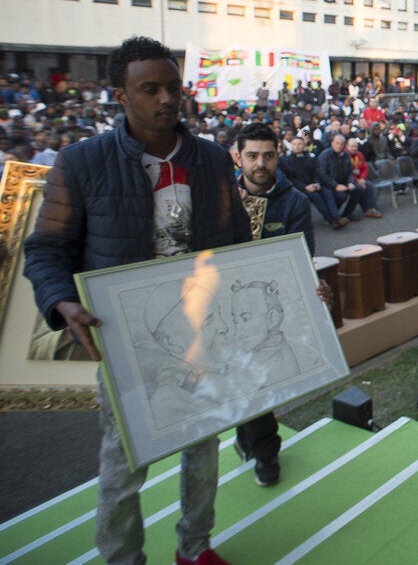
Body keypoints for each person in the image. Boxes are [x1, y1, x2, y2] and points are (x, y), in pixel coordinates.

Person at [24, 35, 251, 565]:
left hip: (202, 333)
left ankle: (195, 546)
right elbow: (46, 250)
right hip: (122, 339)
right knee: (125, 462)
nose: (167, 98)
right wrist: (61, 302)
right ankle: (123, 557)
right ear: (121, 95)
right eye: (150, 89)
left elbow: (240, 245)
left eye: (173, 86)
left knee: (204, 445)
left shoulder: (212, 159)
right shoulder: (81, 163)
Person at [232, 122, 328, 487]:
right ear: (238, 157)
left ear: (278, 156)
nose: (260, 164)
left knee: (257, 379)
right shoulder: (219, 195)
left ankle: (265, 451)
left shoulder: (294, 201)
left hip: (266, 302)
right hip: (222, 301)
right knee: (235, 376)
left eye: (268, 156)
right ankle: (248, 438)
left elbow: (302, 256)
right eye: (252, 156)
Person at [280, 134, 347, 229]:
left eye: (299, 144)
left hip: (313, 185)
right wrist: (305, 187)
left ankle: (336, 216)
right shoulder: (287, 160)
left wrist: (317, 184)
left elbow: (316, 173)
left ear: (304, 145)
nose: (297, 146)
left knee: (327, 192)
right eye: (294, 144)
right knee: (316, 196)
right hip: (300, 187)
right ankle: (331, 220)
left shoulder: (309, 158)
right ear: (291, 146)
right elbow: (291, 179)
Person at [316, 133, 379, 220]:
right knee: (342, 195)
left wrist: (350, 182)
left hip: (344, 181)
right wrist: (336, 185)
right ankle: (334, 216)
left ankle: (347, 214)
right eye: (337, 143)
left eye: (341, 144)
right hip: (329, 184)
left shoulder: (346, 155)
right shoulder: (324, 155)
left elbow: (350, 171)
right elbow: (322, 174)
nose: (339, 146)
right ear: (332, 143)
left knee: (359, 188)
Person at [344, 137, 384, 217]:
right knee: (360, 188)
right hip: (348, 180)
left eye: (355, 146)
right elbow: (346, 172)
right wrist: (357, 180)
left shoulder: (359, 154)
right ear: (347, 146)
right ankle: (353, 211)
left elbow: (364, 168)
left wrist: (362, 178)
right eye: (352, 146)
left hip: (360, 179)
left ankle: (371, 208)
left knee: (369, 185)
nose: (354, 148)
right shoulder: (344, 156)